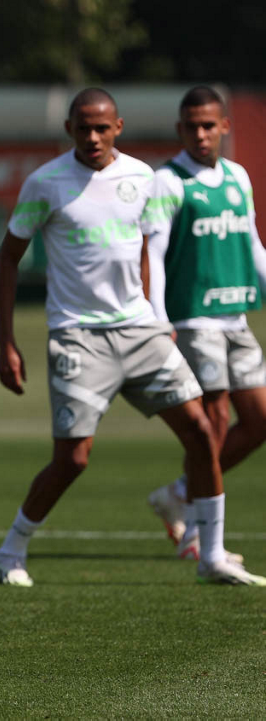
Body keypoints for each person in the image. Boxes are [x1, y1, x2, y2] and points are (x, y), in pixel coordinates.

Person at [0, 88, 264, 587]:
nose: (92, 137)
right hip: (78, 338)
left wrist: (157, 318)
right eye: (83, 128)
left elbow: (147, 251)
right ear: (69, 130)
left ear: (118, 128)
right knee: (73, 459)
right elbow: (9, 258)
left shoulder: (142, 178)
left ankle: (211, 555)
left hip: (141, 332)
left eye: (102, 128)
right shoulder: (45, 183)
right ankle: (11, 550)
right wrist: (6, 343)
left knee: (203, 432)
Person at [144, 86, 266, 563]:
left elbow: (251, 243)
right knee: (213, 419)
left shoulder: (237, 176)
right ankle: (198, 533)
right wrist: (158, 319)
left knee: (259, 422)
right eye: (192, 126)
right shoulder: (168, 181)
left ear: (224, 127)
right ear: (180, 129)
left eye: (208, 125)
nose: (200, 133)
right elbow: (153, 253)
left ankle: (178, 494)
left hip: (236, 315)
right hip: (193, 317)